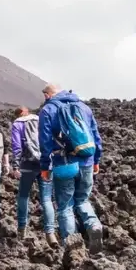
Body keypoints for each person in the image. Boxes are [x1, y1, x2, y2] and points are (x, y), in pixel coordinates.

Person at [38, 84, 104, 252]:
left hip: (64, 162)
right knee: (82, 199)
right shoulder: (84, 107)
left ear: (47, 95)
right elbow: (95, 136)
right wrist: (96, 159)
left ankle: (72, 246)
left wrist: (45, 166)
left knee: (65, 205)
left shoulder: (48, 110)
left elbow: (45, 142)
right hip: (87, 160)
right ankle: (94, 226)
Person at [12, 106, 57, 246]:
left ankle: (22, 229)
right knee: (46, 199)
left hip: (27, 165)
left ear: (18, 115)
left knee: (23, 196)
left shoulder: (17, 124)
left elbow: (17, 146)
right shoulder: (41, 120)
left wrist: (15, 165)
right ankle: (50, 234)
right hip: (45, 164)